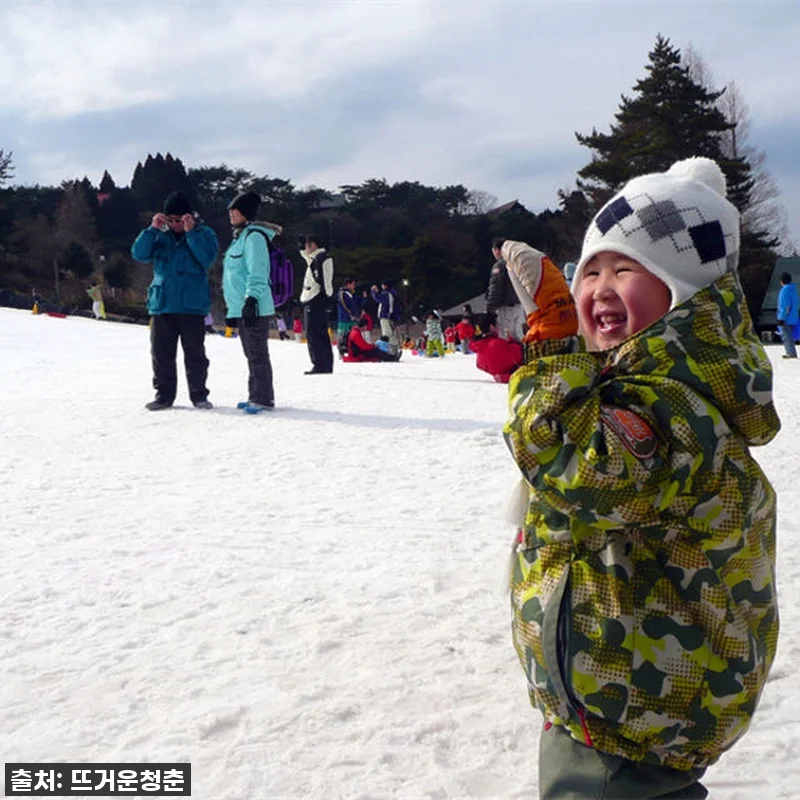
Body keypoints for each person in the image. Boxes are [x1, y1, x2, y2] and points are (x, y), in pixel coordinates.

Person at [501, 158, 780, 799]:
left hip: (632, 708)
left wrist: (553, 346)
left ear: (686, 295)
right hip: (627, 699)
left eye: (625, 269)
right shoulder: (643, 386)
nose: (599, 287)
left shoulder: (677, 403)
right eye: (590, 270)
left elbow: (579, 468)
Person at [132, 191, 219, 410]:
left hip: (192, 305)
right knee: (161, 354)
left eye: (180, 220)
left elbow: (207, 258)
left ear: (190, 216)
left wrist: (191, 233)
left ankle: (199, 395)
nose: (175, 224)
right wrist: (152, 229)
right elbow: (139, 254)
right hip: (162, 304)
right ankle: (163, 395)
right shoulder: (158, 235)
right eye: (170, 220)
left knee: (195, 354)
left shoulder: (204, 233)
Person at [222, 191, 282, 414]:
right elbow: (233, 277)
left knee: (257, 354)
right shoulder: (239, 237)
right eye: (230, 210)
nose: (231, 213)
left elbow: (258, 271)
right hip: (241, 307)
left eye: (235, 210)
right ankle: (254, 394)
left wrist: (252, 299)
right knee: (250, 354)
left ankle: (263, 398)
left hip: (254, 306)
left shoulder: (254, 237)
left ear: (246, 213)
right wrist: (232, 310)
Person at [299, 233, 334, 374]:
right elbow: (306, 256)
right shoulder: (316, 258)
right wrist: (301, 247)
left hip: (316, 299)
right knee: (320, 333)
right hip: (315, 299)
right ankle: (325, 365)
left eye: (307, 245)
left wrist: (326, 299)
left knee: (314, 334)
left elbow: (326, 281)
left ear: (313, 245)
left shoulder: (322, 259)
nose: (306, 248)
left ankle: (319, 364)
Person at [486, 236, 526, 341]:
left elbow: (495, 289)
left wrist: (490, 308)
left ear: (497, 250)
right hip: (520, 305)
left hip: (506, 307)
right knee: (519, 336)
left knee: (505, 338)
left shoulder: (500, 266)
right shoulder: (517, 263)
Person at [371, 281, 400, 353]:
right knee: (391, 333)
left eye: (383, 285)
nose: (382, 287)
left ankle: (389, 350)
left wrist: (374, 291)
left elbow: (378, 298)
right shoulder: (391, 293)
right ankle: (394, 348)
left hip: (385, 316)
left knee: (387, 334)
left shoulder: (386, 294)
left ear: (386, 286)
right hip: (390, 316)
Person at [336, 277, 362, 357]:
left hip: (353, 318)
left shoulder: (352, 293)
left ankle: (352, 350)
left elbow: (356, 304)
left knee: (352, 335)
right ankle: (341, 351)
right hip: (345, 318)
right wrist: (350, 314)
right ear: (348, 284)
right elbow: (344, 305)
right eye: (353, 284)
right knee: (343, 334)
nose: (354, 286)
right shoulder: (342, 293)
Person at [776, 270, 799, 359]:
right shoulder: (793, 290)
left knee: (786, 336)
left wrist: (781, 318)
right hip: (793, 317)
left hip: (786, 318)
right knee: (789, 335)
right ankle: (791, 352)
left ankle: (790, 353)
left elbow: (785, 305)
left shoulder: (784, 291)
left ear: (781, 281)